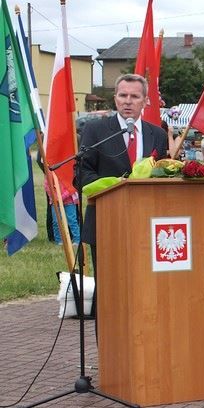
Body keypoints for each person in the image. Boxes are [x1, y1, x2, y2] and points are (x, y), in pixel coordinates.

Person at [78, 74, 168, 274]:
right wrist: (112, 185)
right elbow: (82, 173)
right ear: (115, 98)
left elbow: (162, 174)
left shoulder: (158, 135)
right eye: (123, 95)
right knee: (109, 284)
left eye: (135, 97)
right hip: (105, 221)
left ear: (145, 101)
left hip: (146, 222)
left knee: (143, 281)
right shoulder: (96, 130)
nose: (128, 101)